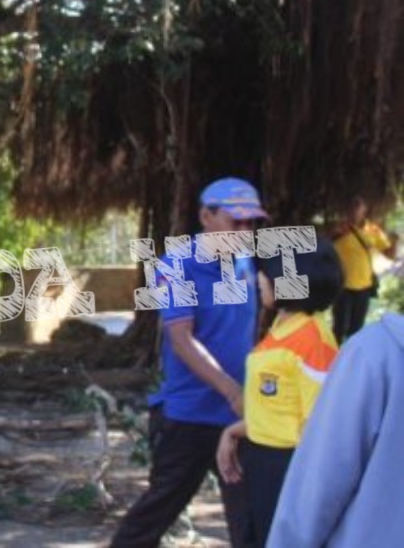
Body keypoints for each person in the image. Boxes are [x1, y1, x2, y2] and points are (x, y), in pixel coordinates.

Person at [110, 177, 267, 548]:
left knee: (249, 517)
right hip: (189, 416)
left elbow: (251, 328)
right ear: (206, 217)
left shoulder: (247, 263)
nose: (245, 231)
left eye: (251, 223)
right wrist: (231, 390)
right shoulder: (176, 266)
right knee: (159, 510)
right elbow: (181, 339)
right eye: (236, 221)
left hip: (239, 417)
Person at [215, 238, 342, 546]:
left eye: (268, 272)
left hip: (288, 467)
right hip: (261, 458)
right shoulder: (281, 328)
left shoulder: (313, 341)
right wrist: (236, 431)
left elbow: (319, 423)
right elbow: (280, 407)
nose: (259, 278)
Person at [265, 311, 404, 547]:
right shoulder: (279, 329)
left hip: (291, 448)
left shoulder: (366, 351)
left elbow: (322, 477)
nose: (259, 282)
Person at [330, 196, 398, 342]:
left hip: (364, 287)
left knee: (357, 329)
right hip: (343, 286)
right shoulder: (339, 228)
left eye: (358, 206)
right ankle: (333, 360)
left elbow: (389, 254)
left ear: (364, 210)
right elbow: (324, 242)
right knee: (339, 327)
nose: (355, 210)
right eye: (352, 206)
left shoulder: (372, 229)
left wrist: (394, 241)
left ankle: (353, 360)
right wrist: (336, 233)